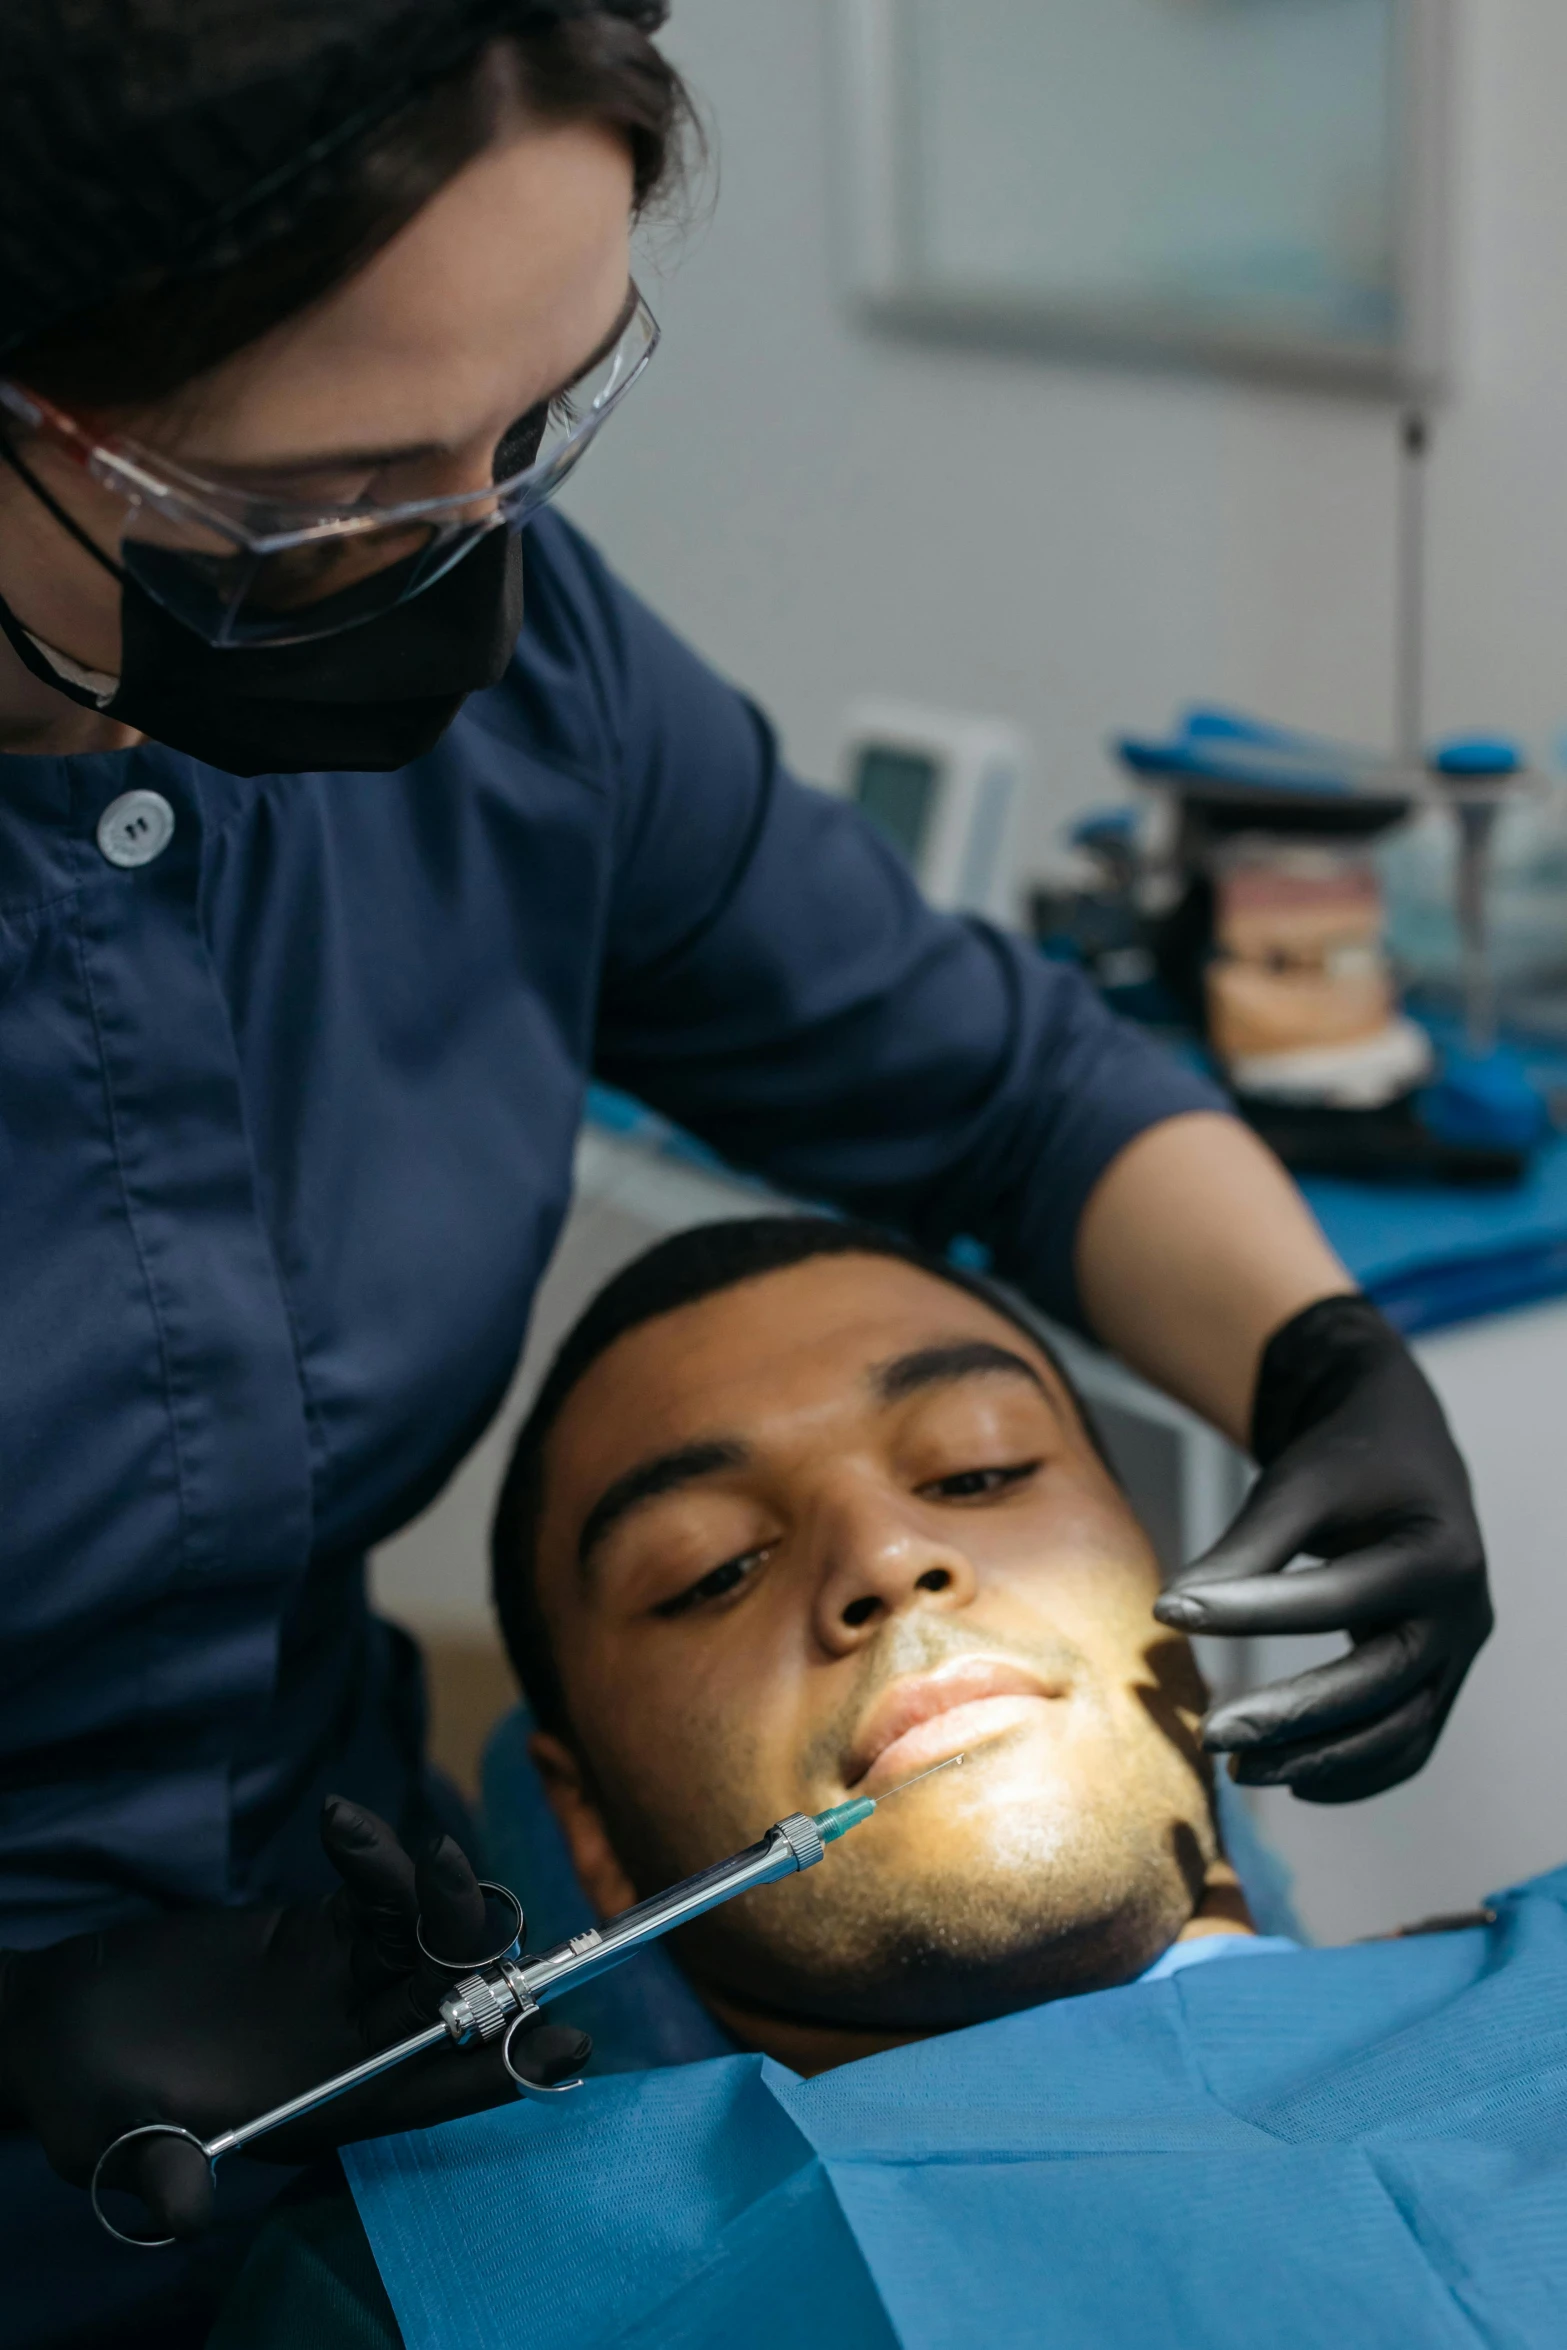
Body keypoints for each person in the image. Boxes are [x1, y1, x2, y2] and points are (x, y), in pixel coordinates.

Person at [0, 6, 1490, 2343]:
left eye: (535, 428)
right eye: (336, 497)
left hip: (352, 2011)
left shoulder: (524, 674)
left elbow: (998, 1091)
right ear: (583, 1822)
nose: (476, 578)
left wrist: (1324, 1359)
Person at [208, 1218, 1562, 2350]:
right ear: (590, 1834)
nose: (885, 1550)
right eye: (711, 1568)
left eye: (979, 1465)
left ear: (1173, 1616)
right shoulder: (449, 2288)